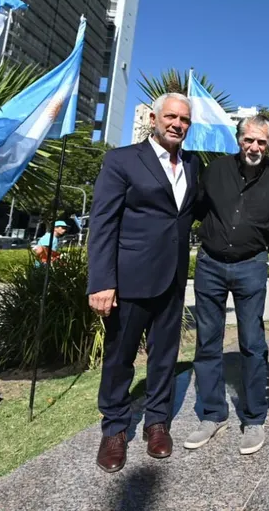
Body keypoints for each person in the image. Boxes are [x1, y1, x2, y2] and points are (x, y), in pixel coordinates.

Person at [87, 92, 201, 473]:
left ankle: (157, 423)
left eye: (184, 120)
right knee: (120, 359)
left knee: (165, 357)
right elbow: (103, 224)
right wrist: (102, 281)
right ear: (154, 119)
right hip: (129, 279)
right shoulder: (121, 160)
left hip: (171, 279)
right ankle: (115, 429)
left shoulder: (192, 164)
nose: (177, 124)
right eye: (171, 117)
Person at [184, 114, 269, 456]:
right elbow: (196, 208)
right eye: (249, 139)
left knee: (252, 342)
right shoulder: (216, 170)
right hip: (211, 265)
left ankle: (253, 418)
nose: (255, 147)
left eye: (262, 142)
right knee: (207, 342)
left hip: (251, 266)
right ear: (239, 139)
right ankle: (212, 414)